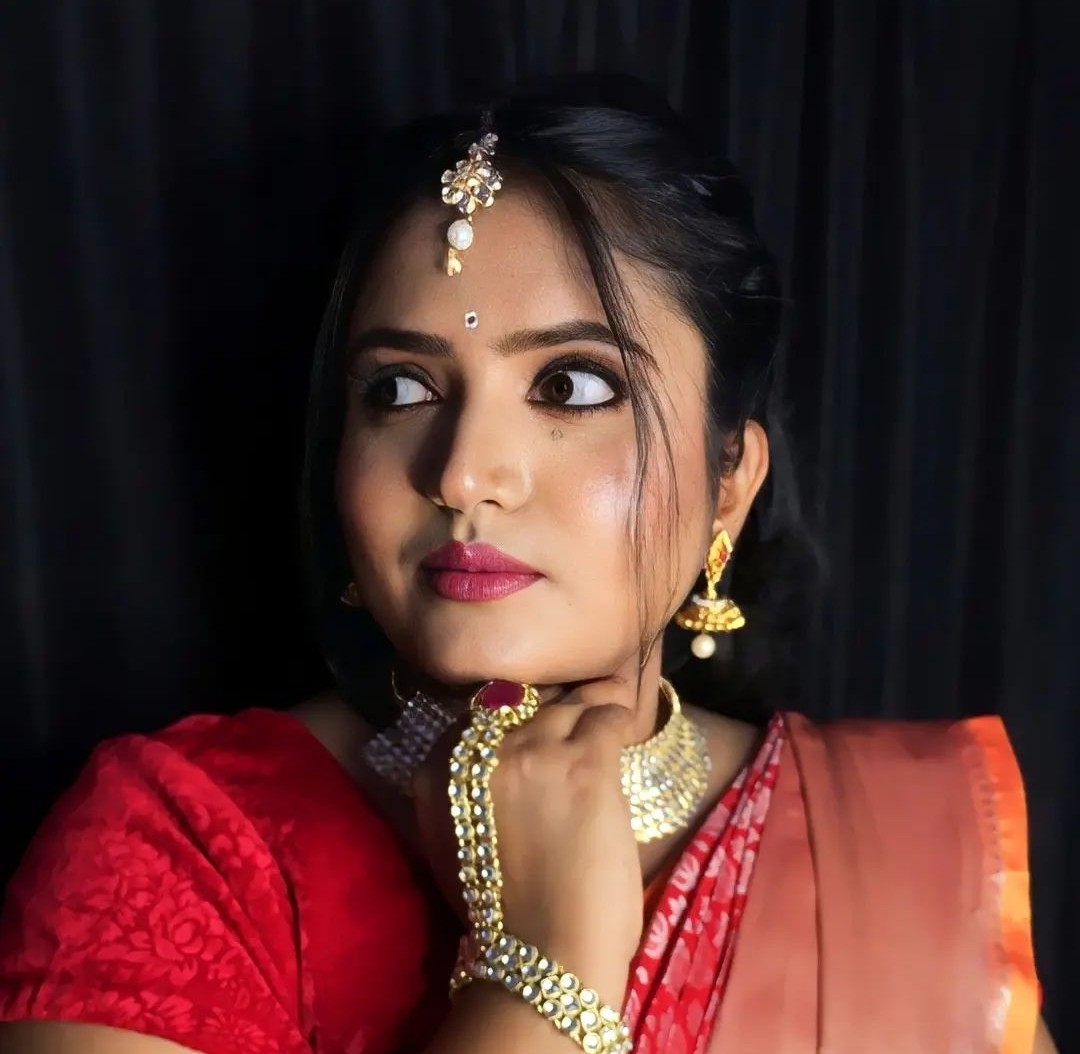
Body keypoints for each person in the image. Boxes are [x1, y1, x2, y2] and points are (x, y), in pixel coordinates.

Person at [0, 75, 1058, 1054]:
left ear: (729, 480)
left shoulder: (900, 855)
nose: (462, 473)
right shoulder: (187, 850)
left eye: (572, 387)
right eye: (400, 389)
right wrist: (546, 971)